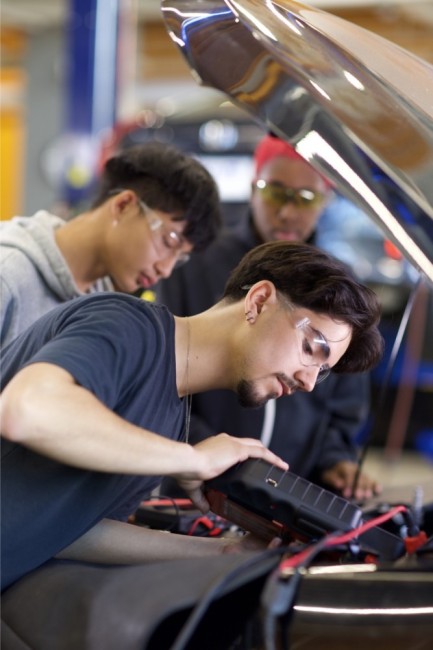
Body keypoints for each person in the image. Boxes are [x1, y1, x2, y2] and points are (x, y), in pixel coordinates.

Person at [0, 240, 383, 591]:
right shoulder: (128, 326)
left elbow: (70, 532)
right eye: (312, 347)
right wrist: (192, 459)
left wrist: (225, 553)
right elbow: (25, 409)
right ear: (259, 301)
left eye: (323, 370)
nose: (309, 381)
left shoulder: (170, 420)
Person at [157, 134, 381, 500]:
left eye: (305, 198)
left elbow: (345, 398)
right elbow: (168, 366)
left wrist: (335, 459)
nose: (288, 212)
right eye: (276, 193)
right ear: (253, 189)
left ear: (325, 202)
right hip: (196, 482)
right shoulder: (197, 264)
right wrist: (199, 451)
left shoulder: (341, 286)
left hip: (290, 491)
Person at [0, 141, 222, 348]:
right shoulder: (8, 275)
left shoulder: (105, 305)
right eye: (168, 241)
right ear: (124, 205)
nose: (165, 269)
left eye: (180, 257)